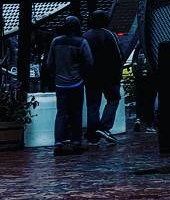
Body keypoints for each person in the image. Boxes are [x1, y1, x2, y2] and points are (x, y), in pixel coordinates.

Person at [46, 15, 93, 152]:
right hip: (76, 83)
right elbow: (89, 62)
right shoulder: (82, 42)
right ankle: (76, 141)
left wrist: (55, 75)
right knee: (76, 112)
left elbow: (49, 63)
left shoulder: (56, 41)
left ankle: (58, 142)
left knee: (61, 113)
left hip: (60, 83)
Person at [83, 11, 123, 145]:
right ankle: (104, 127)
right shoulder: (109, 35)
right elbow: (118, 55)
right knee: (113, 99)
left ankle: (92, 136)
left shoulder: (86, 36)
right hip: (110, 75)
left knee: (92, 105)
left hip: (91, 77)